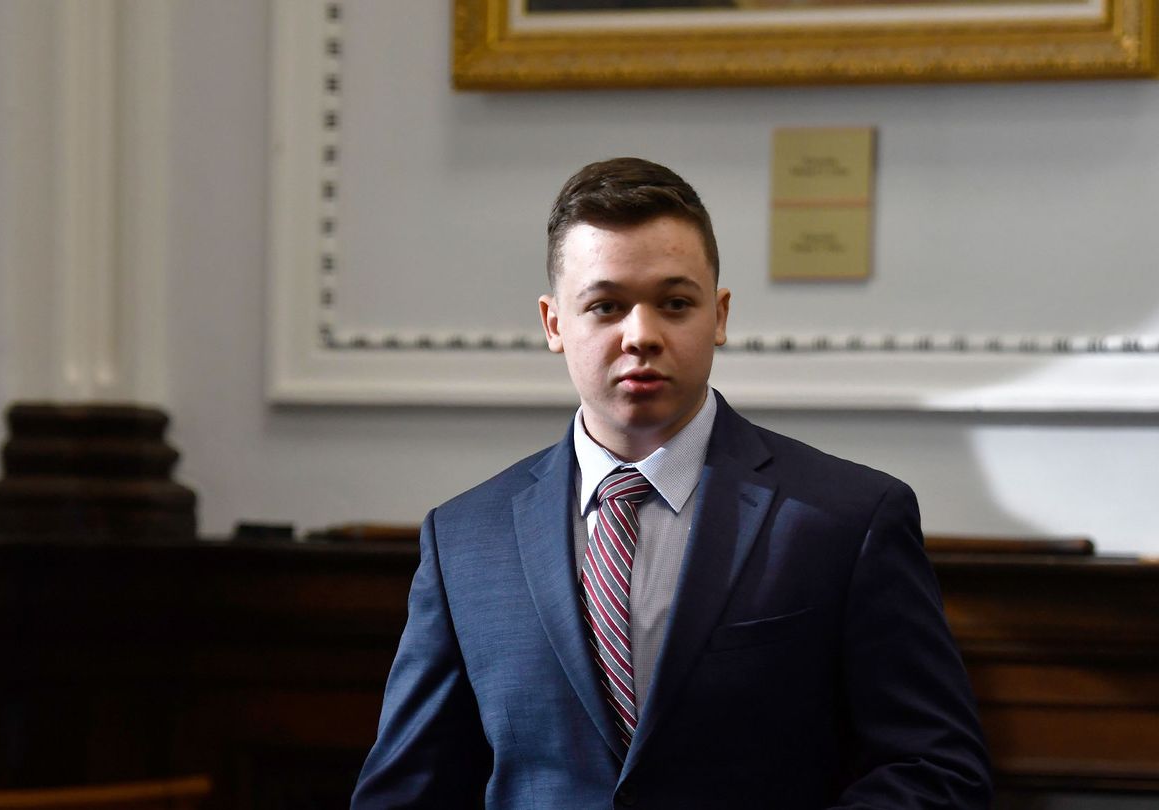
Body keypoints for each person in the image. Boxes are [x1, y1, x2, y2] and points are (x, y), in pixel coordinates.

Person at [352, 157, 992, 808]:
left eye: (675, 304)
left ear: (718, 315)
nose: (641, 336)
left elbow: (936, 769)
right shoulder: (465, 540)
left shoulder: (847, 519)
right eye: (605, 305)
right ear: (553, 323)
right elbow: (406, 793)